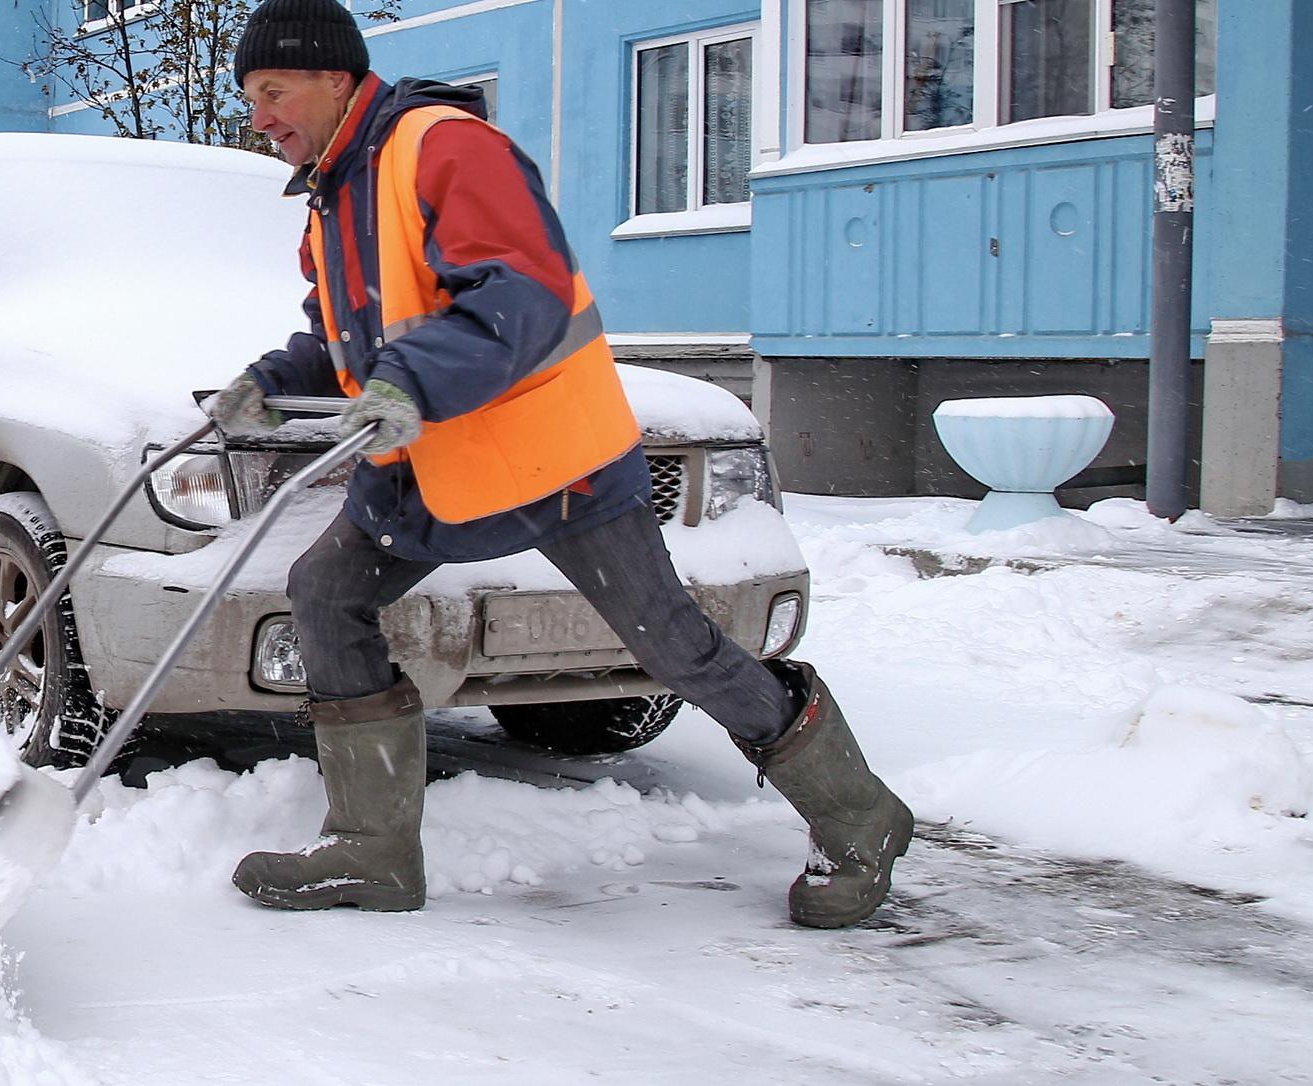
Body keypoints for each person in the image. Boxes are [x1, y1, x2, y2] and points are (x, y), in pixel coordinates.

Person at [206, 0, 912, 929]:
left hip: (555, 460)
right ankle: (371, 850)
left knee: (674, 648)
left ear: (335, 80)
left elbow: (520, 294)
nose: (259, 115)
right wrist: (271, 380)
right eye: (251, 96)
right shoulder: (335, 193)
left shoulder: (446, 149)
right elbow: (350, 338)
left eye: (272, 90)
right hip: (437, 463)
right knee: (327, 590)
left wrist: (405, 383)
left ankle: (860, 816)